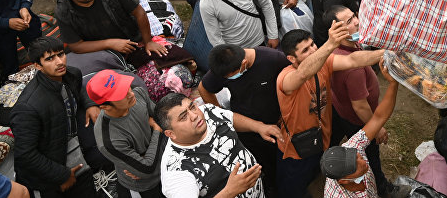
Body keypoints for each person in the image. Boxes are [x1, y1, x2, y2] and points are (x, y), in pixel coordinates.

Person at [275, 24, 385, 198]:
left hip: (321, 137)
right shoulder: (285, 77)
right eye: (305, 50)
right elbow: (302, 74)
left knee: (313, 170)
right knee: (294, 182)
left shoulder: (324, 62)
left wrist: (386, 54)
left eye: (313, 44)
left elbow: (353, 60)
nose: (313, 50)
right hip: (298, 145)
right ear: (291, 58)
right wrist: (331, 44)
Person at [11, 37, 98, 198]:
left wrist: (90, 103)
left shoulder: (71, 74)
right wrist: (62, 175)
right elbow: (25, 155)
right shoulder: (28, 107)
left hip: (75, 153)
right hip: (48, 174)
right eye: (50, 58)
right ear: (37, 65)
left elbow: (79, 88)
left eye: (61, 54)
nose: (59, 62)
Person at [198, 44, 291, 196]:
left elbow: (293, 78)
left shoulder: (273, 59)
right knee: (261, 162)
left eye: (231, 76)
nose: (229, 79)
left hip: (276, 122)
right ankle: (269, 185)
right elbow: (204, 89)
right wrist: (221, 114)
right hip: (245, 126)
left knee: (280, 160)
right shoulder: (223, 68)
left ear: (244, 64)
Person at [156, 92, 282, 197]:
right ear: (170, 134)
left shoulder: (207, 111)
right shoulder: (176, 171)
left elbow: (229, 118)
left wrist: (258, 127)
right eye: (183, 117)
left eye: (192, 107)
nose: (194, 116)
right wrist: (229, 192)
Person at [54, 0, 170, 72]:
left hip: (131, 41)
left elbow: (139, 12)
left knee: (167, 59)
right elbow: (76, 46)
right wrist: (110, 44)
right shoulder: (63, 11)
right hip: (98, 52)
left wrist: (148, 41)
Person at [320, 58, 398, 198]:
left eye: (357, 156)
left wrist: (393, 83)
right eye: (356, 165)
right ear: (344, 180)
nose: (363, 161)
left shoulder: (353, 146)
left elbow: (378, 118)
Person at [88, 70, 166, 198]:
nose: (130, 94)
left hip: (167, 166)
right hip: (146, 186)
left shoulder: (138, 94)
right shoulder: (109, 139)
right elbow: (147, 169)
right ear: (105, 107)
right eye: (121, 94)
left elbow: (164, 121)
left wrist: (146, 161)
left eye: (126, 86)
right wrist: (157, 131)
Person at [0, 0, 41, 79]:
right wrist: (6, 23)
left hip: (25, 21)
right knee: (9, 68)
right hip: (0, 33)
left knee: (41, 54)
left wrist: (24, 6)